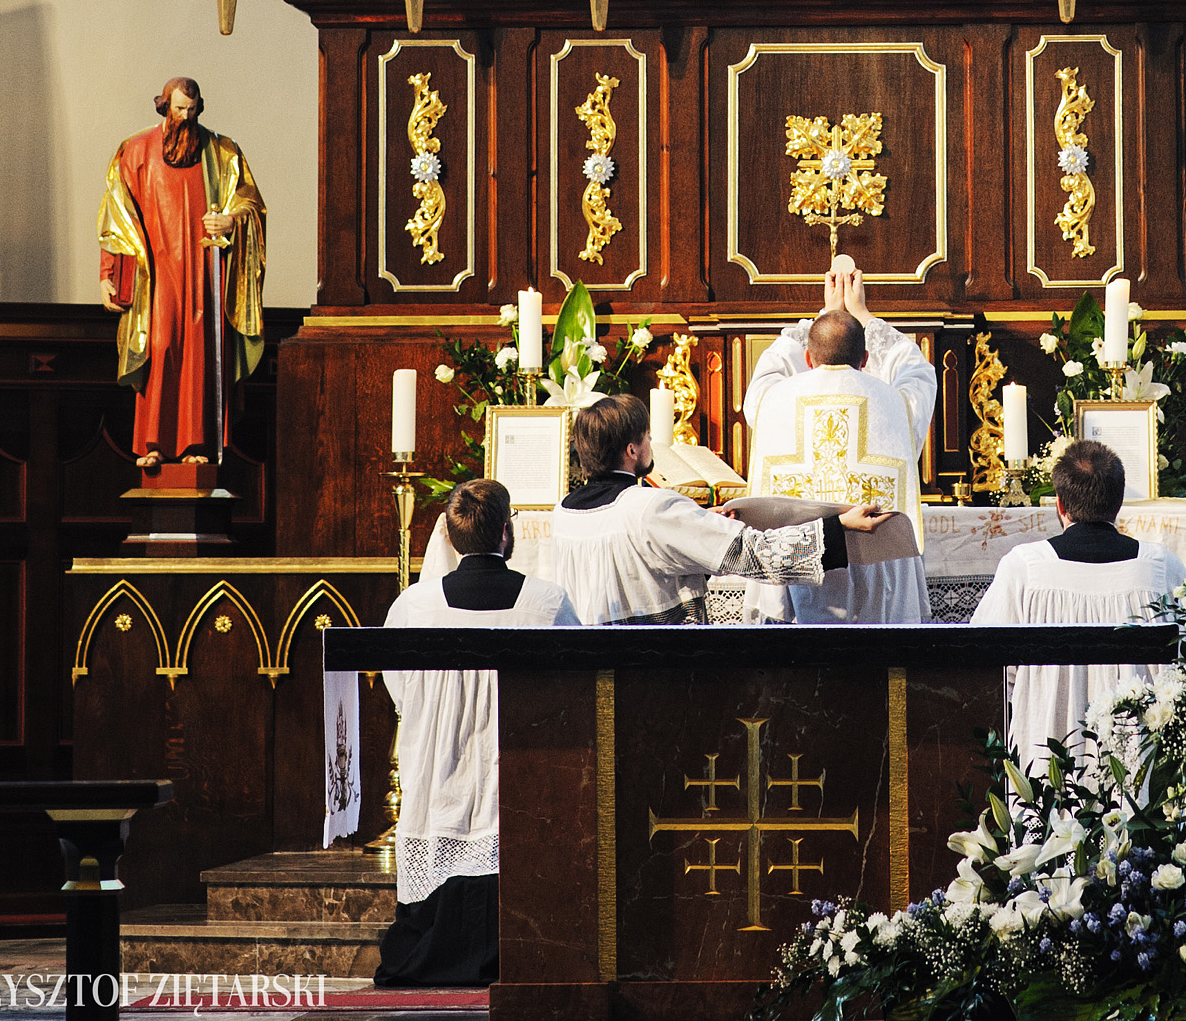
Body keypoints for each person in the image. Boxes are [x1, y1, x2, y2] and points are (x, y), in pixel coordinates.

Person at [375, 479, 579, 987]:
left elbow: (400, 691)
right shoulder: (548, 602)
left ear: (448, 534)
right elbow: (571, 691)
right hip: (516, 775)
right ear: (508, 534)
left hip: (439, 775)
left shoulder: (412, 607)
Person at [552, 394, 892, 626]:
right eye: (647, 438)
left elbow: (639, 571)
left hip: (588, 667)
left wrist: (701, 529)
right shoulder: (649, 506)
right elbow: (754, 555)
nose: (650, 444)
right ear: (631, 450)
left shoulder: (563, 513)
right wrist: (839, 525)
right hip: (652, 668)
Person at [970, 440, 1186, 777]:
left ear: (1059, 504)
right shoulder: (1160, 566)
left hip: (1047, 756)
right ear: (1118, 504)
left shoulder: (1025, 566)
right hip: (1140, 760)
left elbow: (988, 667)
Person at [742, 267, 936, 623]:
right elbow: (919, 373)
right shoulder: (897, 403)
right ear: (864, 361)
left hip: (799, 553)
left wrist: (822, 316)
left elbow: (767, 371)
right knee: (880, 660)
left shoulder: (771, 400)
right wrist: (865, 318)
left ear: (807, 359)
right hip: (878, 554)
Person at [98, 77, 267, 467]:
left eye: (192, 111)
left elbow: (251, 207)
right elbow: (117, 218)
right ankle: (152, 444)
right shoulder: (136, 151)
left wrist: (230, 221)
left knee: (200, 353)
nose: (185, 118)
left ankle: (197, 446)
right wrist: (108, 274)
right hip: (156, 276)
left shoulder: (222, 153)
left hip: (206, 276)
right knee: (158, 347)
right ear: (163, 107)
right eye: (178, 110)